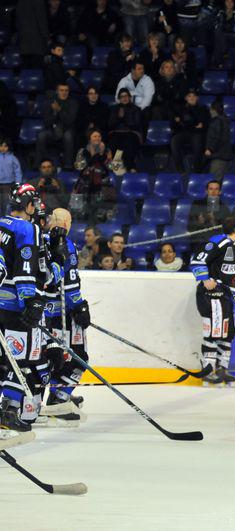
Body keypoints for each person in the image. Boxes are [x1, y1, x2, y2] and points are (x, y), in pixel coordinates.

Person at [0, 184, 46, 431]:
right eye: (34, 203)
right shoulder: (27, 228)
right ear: (28, 205)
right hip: (15, 307)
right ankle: (8, 411)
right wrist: (31, 300)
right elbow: (25, 265)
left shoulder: (1, 224)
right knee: (20, 360)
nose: (36, 208)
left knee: (2, 361)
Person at [43, 208, 91, 417]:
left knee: (50, 357)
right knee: (78, 358)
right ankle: (59, 398)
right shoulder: (67, 245)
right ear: (65, 224)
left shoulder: (40, 240)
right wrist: (80, 307)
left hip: (43, 314)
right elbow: (69, 286)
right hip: (63, 313)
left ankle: (45, 398)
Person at [190, 216, 235, 386]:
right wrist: (205, 279)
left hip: (226, 295)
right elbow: (197, 260)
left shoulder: (234, 246)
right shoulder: (219, 242)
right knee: (213, 332)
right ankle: (208, 371)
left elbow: (230, 269)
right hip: (211, 294)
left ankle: (222, 370)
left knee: (228, 332)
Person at [36, 83, 78, 170]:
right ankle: (42, 163)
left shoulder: (73, 103)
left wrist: (59, 110)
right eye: (61, 90)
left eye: (66, 90)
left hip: (67, 129)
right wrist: (55, 113)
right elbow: (47, 121)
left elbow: (69, 121)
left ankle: (68, 164)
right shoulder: (50, 103)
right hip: (52, 130)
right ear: (57, 91)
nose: (64, 93)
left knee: (68, 136)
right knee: (41, 135)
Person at [170, 89, 210, 174]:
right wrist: (181, 123)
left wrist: (187, 124)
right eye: (189, 96)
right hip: (186, 133)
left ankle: (197, 170)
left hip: (198, 133)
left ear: (197, 98)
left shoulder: (203, 108)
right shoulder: (181, 109)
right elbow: (176, 123)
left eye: (194, 96)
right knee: (174, 140)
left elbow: (205, 124)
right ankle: (180, 169)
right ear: (186, 98)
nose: (191, 98)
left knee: (197, 142)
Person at [107, 88, 144, 172]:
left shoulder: (136, 109)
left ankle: (131, 167)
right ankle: (116, 166)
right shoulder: (114, 109)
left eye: (126, 96)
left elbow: (136, 124)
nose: (124, 98)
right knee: (115, 141)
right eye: (122, 96)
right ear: (119, 99)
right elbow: (110, 124)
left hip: (131, 132)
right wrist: (118, 118)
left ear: (130, 97)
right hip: (116, 132)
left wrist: (125, 117)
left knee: (129, 142)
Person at [205, 101, 234, 180]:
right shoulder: (225, 120)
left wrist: (210, 149)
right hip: (225, 154)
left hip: (219, 155)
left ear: (213, 110)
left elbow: (216, 137)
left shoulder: (216, 121)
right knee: (221, 180)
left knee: (215, 181)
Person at [211, 0, 235, 68]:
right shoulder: (220, 12)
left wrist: (229, 24)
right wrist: (225, 18)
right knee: (219, 34)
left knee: (219, 37)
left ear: (234, 3)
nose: (229, 4)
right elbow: (216, 26)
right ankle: (223, 54)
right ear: (224, 3)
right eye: (227, 2)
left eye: (231, 2)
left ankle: (218, 60)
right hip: (222, 36)